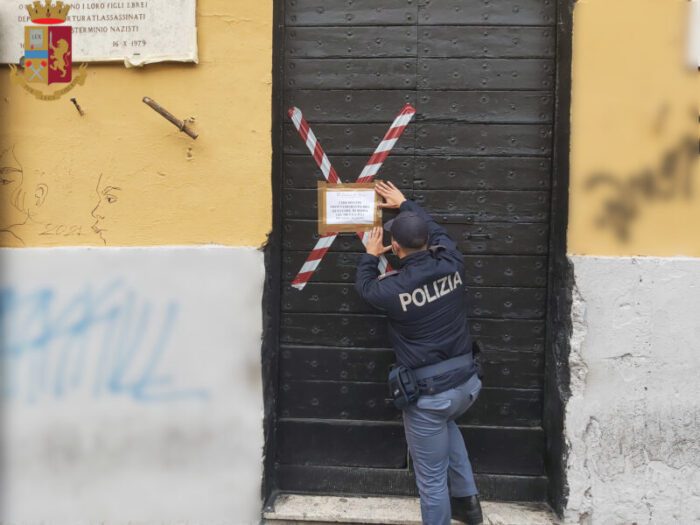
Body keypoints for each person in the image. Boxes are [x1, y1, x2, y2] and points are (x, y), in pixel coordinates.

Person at [355, 181, 483, 525]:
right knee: (449, 428)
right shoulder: (452, 263)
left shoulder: (393, 289)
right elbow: (440, 232)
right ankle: (469, 507)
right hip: (466, 386)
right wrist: (407, 204)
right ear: (427, 242)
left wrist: (369, 256)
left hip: (430, 397)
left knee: (430, 480)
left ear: (394, 247)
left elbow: (366, 288)